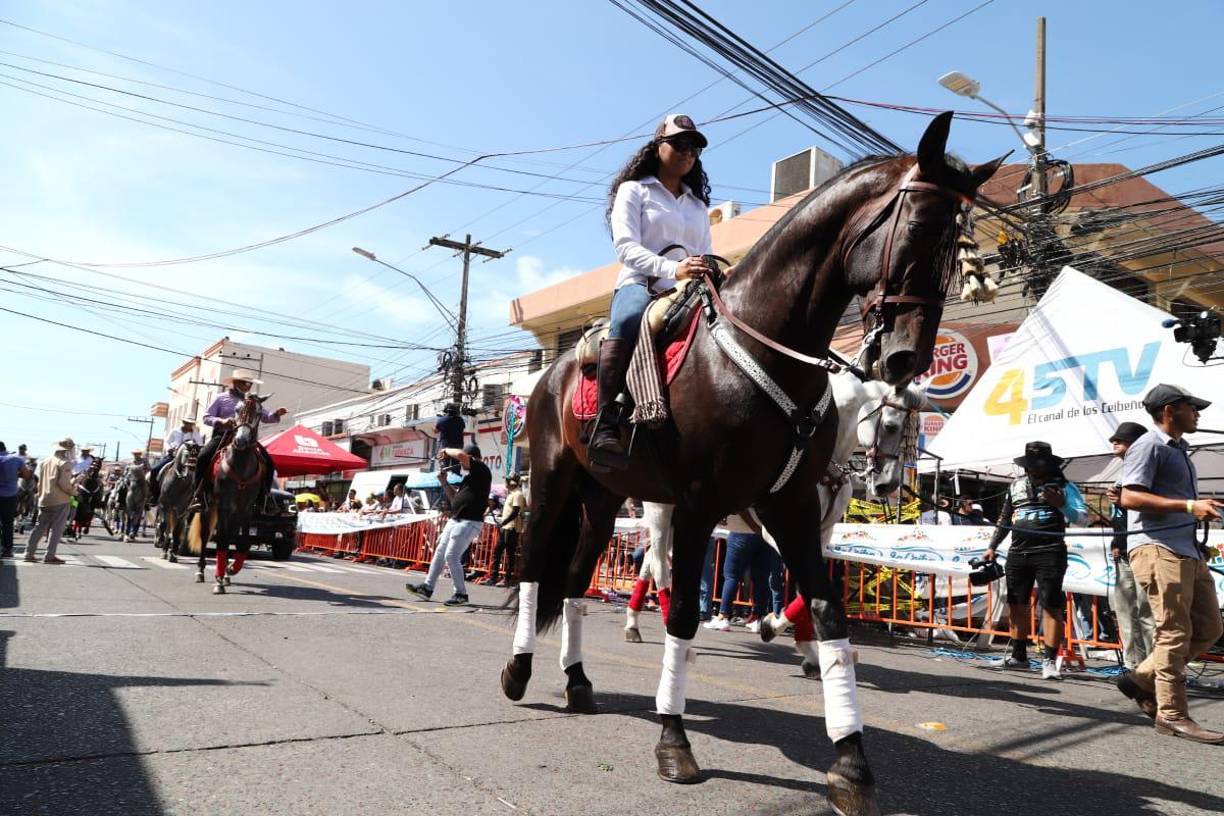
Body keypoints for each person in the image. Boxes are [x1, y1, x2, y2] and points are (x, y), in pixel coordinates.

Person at [590, 113, 713, 469]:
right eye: (679, 143)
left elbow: (703, 253)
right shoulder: (634, 190)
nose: (688, 152)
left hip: (688, 290)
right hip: (641, 284)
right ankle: (606, 422)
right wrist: (673, 269)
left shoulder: (698, 206)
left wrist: (712, 268)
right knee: (629, 319)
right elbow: (626, 248)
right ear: (658, 146)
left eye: (694, 148)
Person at [1116, 384, 1224, 743]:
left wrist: (1194, 518)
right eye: (1191, 407)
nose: (1197, 413)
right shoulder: (1148, 445)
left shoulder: (1179, 449)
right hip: (1158, 549)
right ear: (1169, 410)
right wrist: (1189, 506)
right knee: (1174, 632)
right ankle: (1172, 715)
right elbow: (1130, 497)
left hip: (1185, 549)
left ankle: (1140, 679)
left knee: (1209, 628)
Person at [983, 441, 1087, 680]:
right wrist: (992, 546)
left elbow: (1083, 519)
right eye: (1030, 465)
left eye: (1039, 465)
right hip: (1018, 553)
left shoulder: (1065, 486)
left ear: (1050, 465)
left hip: (1050, 552)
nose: (1033, 470)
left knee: (1051, 605)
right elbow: (1005, 518)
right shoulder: (1016, 486)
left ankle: (1049, 661)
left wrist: (1063, 505)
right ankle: (1018, 657)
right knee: (1016, 604)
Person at [406, 444, 492, 607]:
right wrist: (444, 482)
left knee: (451, 556)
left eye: (463, 461)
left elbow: (460, 455)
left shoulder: (481, 469)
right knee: (440, 552)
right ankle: (427, 587)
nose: (460, 465)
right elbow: (455, 500)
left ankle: (461, 594)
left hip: (469, 521)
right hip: (457, 519)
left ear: (472, 458)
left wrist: (445, 451)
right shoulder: (470, 478)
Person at [190, 369, 286, 510]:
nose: (248, 386)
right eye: (244, 383)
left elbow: (266, 417)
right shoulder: (220, 398)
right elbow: (206, 417)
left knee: (269, 463)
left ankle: (265, 498)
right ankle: (198, 495)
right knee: (203, 457)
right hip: (223, 435)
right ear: (235, 383)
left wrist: (276, 414)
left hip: (247, 438)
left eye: (249, 384)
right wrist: (221, 421)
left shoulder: (253, 401)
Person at [1105, 421, 1156, 674]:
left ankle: (1153, 667)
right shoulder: (1122, 472)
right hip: (1124, 552)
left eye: (1122, 439)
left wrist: (1123, 502)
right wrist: (1116, 542)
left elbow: (1151, 508)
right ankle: (1132, 665)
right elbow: (1119, 517)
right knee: (1125, 610)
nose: (1115, 442)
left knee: (1147, 612)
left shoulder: (1149, 469)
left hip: (1144, 549)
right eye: (1114, 439)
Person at [24, 438, 77, 564]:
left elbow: (39, 481)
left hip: (44, 499)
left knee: (39, 527)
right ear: (67, 450)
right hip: (59, 499)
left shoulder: (45, 461)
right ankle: (49, 556)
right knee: (56, 529)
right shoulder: (65, 463)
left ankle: (29, 553)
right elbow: (63, 483)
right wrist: (74, 492)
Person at [149, 418, 204, 504]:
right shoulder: (175, 431)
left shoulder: (195, 434)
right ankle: (155, 495)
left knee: (200, 473)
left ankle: (196, 497)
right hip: (172, 456)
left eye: (191, 424)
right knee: (154, 470)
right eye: (187, 423)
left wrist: (195, 446)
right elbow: (167, 442)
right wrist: (169, 449)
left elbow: (200, 444)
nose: (189, 425)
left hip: (188, 458)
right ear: (183, 422)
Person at [485, 474, 526, 586]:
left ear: (511, 483)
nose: (505, 483)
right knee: (497, 551)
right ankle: (493, 578)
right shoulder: (511, 494)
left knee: (509, 554)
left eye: (507, 481)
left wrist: (503, 523)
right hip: (506, 527)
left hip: (512, 528)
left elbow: (515, 512)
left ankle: (507, 579)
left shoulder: (517, 494)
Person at [0, 442, 33, 558]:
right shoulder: (16, 459)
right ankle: (7, 550)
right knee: (7, 523)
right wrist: (16, 474)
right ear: (5, 448)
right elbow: (27, 475)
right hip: (9, 495)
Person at [435, 403, 466, 475]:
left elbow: (436, 431)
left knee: (445, 465)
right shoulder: (460, 420)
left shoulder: (441, 420)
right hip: (458, 446)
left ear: (447, 411)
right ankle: (456, 479)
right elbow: (462, 429)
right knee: (456, 466)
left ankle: (444, 479)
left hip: (446, 446)